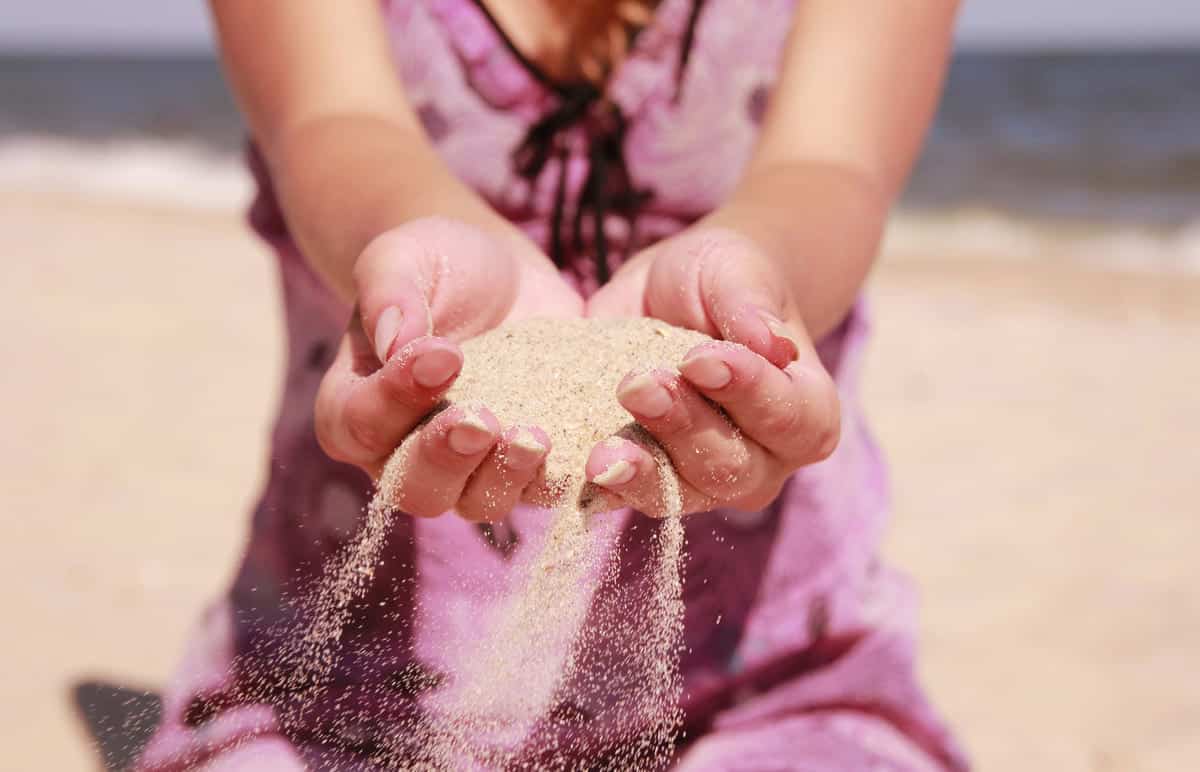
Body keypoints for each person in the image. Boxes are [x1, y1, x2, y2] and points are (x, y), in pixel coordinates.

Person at [138, 0, 969, 769]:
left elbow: (834, 168)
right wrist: (420, 255)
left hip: (772, 680)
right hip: (337, 683)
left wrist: (756, 288)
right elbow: (328, 122)